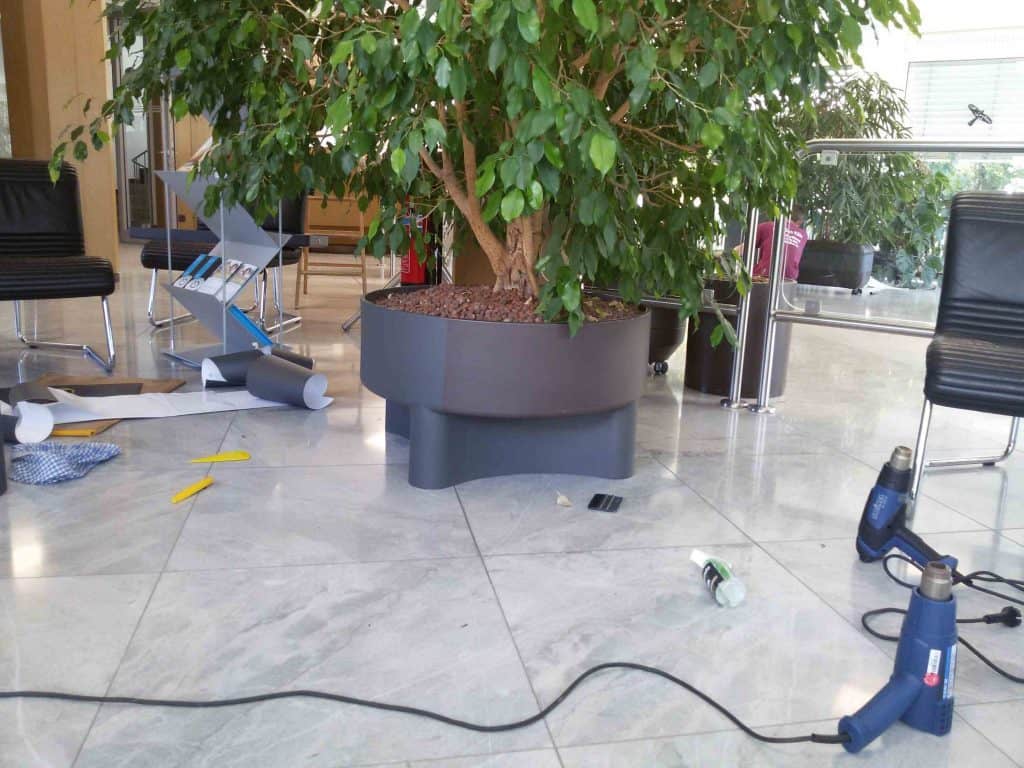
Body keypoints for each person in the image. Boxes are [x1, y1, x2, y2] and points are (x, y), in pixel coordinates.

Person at [735, 206, 808, 280]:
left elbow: (742, 249)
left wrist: (730, 256)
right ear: (800, 221)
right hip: (790, 277)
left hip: (764, 274)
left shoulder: (766, 226)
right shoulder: (803, 235)